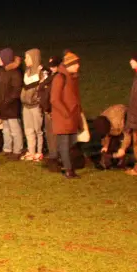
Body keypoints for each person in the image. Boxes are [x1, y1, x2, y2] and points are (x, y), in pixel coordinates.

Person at [50, 51, 83, 179]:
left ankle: (67, 166)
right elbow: (55, 99)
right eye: (75, 64)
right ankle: (68, 170)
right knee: (64, 144)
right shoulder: (60, 78)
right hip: (64, 117)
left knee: (70, 144)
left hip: (71, 116)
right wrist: (66, 113)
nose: (78, 66)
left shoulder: (72, 78)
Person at [0, 47, 24, 157]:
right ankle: (7, 148)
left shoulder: (15, 72)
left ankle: (17, 150)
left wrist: (7, 101)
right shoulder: (2, 71)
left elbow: (17, 90)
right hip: (3, 104)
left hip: (12, 105)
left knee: (15, 129)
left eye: (0, 58)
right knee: (6, 129)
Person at [92, 103, 129, 169]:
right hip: (114, 127)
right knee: (110, 146)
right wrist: (105, 146)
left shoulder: (118, 121)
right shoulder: (101, 121)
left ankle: (124, 161)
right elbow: (105, 135)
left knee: (123, 143)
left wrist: (123, 148)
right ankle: (112, 161)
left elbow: (127, 134)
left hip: (127, 119)